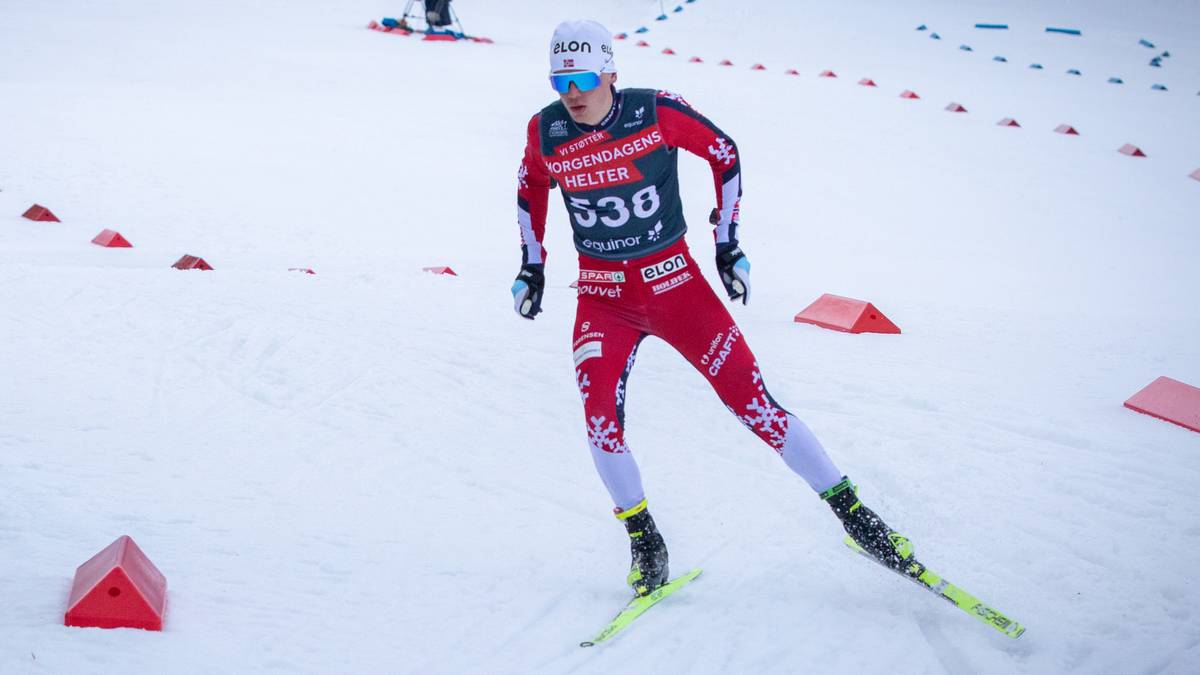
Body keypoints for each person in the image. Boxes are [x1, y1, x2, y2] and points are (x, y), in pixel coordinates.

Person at [512, 20, 914, 597]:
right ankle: (645, 540)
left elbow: (724, 152)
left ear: (610, 75)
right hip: (603, 297)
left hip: (676, 287)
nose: (571, 92)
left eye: (582, 77)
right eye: (559, 80)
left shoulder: (653, 112)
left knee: (754, 404)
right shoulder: (546, 129)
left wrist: (727, 242)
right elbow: (531, 185)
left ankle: (854, 515)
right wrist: (533, 264)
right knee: (599, 418)